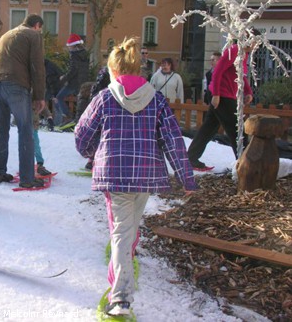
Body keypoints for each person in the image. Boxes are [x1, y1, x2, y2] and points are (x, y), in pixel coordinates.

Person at [74, 37, 196, 319]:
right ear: (138, 70)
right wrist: (187, 179)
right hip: (144, 175)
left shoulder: (104, 98)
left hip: (115, 175)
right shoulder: (157, 100)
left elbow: (81, 136)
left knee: (120, 233)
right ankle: (123, 272)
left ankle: (120, 297)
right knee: (128, 230)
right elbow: (173, 141)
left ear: (114, 72)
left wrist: (94, 154)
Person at [0, 13, 46, 189]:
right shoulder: (33, 35)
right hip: (16, 85)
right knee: (25, 130)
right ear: (37, 25)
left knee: (1, 130)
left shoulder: (5, 36)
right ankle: (27, 177)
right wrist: (39, 96)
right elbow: (37, 66)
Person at [188, 38, 256, 170]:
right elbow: (218, 71)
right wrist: (216, 95)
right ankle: (245, 164)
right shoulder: (234, 50)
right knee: (236, 128)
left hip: (227, 94)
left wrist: (248, 91)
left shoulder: (244, 53)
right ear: (248, 39)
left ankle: (190, 158)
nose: (256, 45)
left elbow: (241, 75)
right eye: (255, 42)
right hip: (222, 95)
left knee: (209, 128)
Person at [54, 34, 89, 125]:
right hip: (83, 81)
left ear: (74, 45)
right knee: (81, 101)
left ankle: (68, 116)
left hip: (73, 82)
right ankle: (81, 119)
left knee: (59, 97)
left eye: (69, 46)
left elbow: (73, 70)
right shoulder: (85, 54)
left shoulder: (74, 55)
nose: (68, 48)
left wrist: (64, 78)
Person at [44, 58, 63, 130]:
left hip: (56, 87)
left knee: (57, 104)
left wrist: (54, 95)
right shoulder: (49, 65)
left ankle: (57, 124)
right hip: (53, 86)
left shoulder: (48, 70)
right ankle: (50, 120)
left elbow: (52, 83)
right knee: (41, 100)